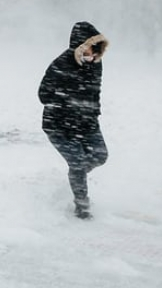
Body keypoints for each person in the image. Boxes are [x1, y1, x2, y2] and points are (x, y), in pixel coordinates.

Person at [38, 21, 110, 219]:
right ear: (79, 45)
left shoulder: (96, 63)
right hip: (58, 125)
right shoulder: (62, 63)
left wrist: (92, 114)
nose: (93, 53)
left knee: (100, 156)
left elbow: (95, 93)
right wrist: (68, 102)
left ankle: (76, 177)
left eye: (97, 49)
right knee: (77, 162)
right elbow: (43, 94)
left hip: (87, 123)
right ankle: (82, 205)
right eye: (90, 47)